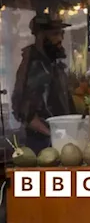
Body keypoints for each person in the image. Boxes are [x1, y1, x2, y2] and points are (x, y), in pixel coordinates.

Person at [12, 14, 77, 155]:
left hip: (58, 142)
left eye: (61, 33)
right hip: (43, 146)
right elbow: (27, 113)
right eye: (55, 34)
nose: (60, 39)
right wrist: (53, 135)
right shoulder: (36, 66)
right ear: (41, 36)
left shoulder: (52, 65)